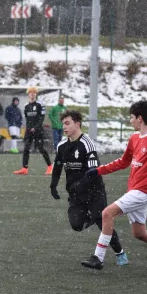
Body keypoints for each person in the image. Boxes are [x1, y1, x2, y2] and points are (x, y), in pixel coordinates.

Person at [81, 100, 147, 271]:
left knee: (107, 213)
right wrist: (98, 170)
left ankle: (98, 257)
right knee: (139, 233)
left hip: (144, 190)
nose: (130, 120)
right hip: (134, 189)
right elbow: (123, 162)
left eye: (132, 117)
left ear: (140, 118)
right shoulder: (134, 138)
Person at [50, 110, 128, 266]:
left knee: (102, 221)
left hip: (94, 190)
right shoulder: (62, 146)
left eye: (67, 123)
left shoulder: (87, 143)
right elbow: (58, 166)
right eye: (63, 123)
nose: (64, 127)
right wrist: (53, 185)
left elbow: (94, 172)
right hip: (75, 194)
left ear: (77, 124)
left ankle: (120, 253)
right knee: (76, 225)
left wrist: (81, 183)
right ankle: (96, 216)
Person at [14, 87, 53, 175]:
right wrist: (28, 128)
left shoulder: (40, 104)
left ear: (36, 94)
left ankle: (50, 167)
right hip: (28, 130)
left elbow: (41, 118)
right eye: (30, 93)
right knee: (26, 148)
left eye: (34, 93)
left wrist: (35, 127)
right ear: (28, 94)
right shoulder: (26, 106)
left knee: (41, 148)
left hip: (38, 130)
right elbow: (27, 119)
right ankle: (25, 168)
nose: (32, 94)